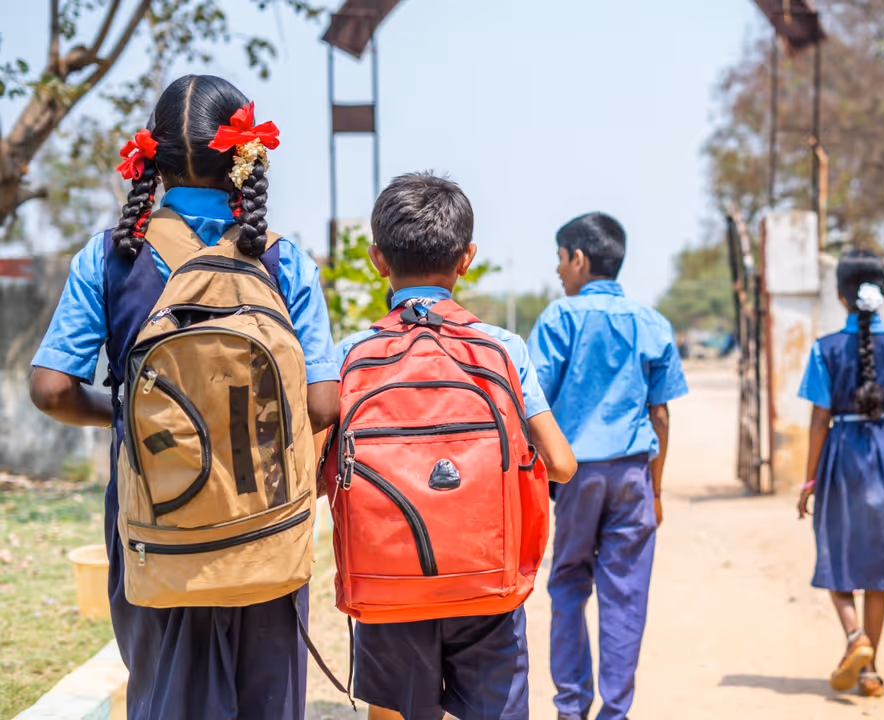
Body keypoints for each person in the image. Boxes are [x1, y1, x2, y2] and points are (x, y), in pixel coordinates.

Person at [28, 75, 340, 719]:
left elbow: (52, 388)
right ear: (246, 158)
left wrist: (120, 414)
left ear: (152, 157)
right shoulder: (285, 263)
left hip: (155, 521)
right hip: (265, 523)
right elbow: (322, 407)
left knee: (164, 696)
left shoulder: (110, 258)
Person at [335, 172, 577, 720]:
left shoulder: (352, 354)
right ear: (466, 258)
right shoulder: (502, 348)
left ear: (377, 259)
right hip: (486, 579)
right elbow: (561, 464)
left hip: (386, 584)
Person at [528, 212, 688, 720]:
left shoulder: (559, 318)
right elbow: (660, 414)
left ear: (579, 258)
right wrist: (656, 491)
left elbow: (533, 404)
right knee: (626, 594)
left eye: (560, 258)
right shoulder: (652, 322)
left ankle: (571, 708)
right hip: (634, 476)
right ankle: (615, 712)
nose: (558, 271)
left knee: (569, 585)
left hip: (575, 476)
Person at [795, 250, 884, 697]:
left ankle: (855, 637)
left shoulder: (825, 348)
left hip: (842, 455)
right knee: (878, 567)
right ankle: (869, 670)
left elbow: (819, 420)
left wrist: (809, 480)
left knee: (836, 556)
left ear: (841, 295)